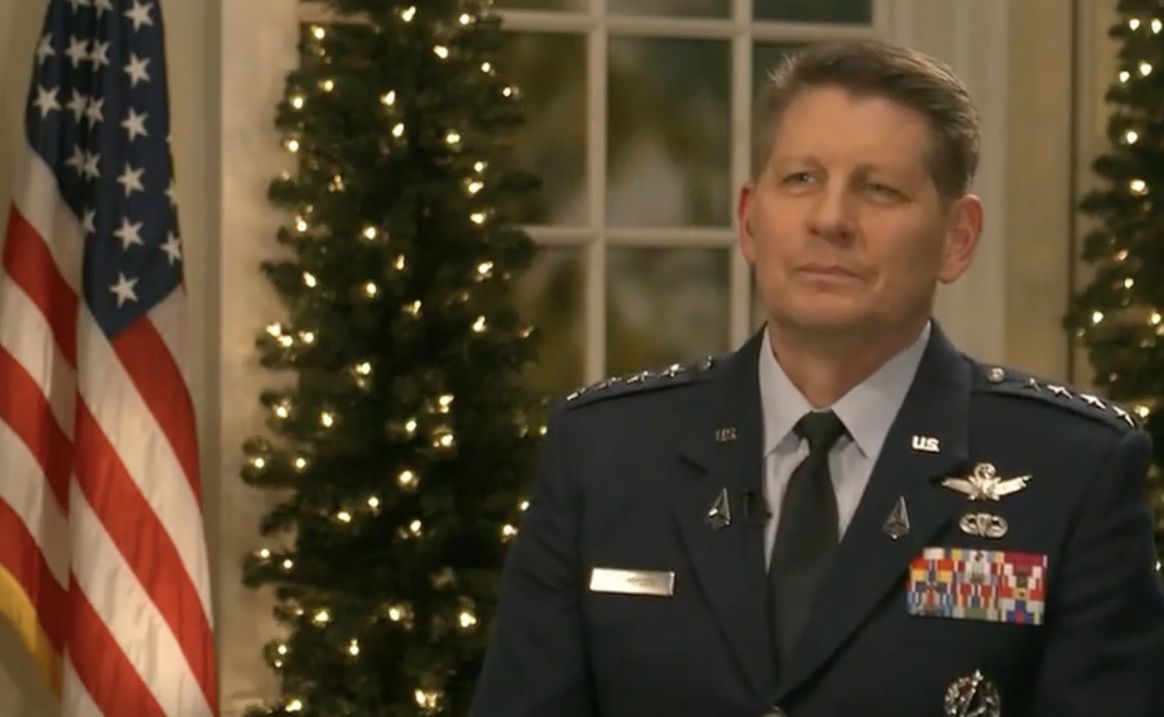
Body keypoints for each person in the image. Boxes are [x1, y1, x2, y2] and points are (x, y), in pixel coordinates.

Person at [470, 40, 1164, 716]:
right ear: (749, 220)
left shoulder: (1072, 471)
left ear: (957, 238)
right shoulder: (606, 453)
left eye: (879, 189)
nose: (830, 219)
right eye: (801, 179)